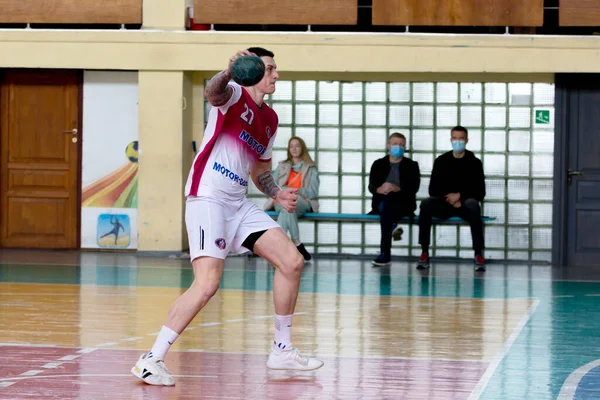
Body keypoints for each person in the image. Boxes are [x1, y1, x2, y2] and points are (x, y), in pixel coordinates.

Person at [131, 47, 324, 386]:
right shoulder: (233, 95)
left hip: (238, 203)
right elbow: (213, 91)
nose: (276, 75)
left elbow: (260, 169)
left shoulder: (271, 120)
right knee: (207, 284)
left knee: (292, 262)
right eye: (270, 69)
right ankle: (151, 359)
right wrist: (229, 70)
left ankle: (281, 348)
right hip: (209, 197)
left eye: (276, 69)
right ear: (252, 71)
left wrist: (277, 193)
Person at [417, 125, 486, 271]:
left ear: (467, 140)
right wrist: (450, 199)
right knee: (425, 205)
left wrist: (460, 196)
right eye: (455, 138)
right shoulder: (441, 161)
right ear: (451, 139)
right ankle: (424, 251)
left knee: (473, 205)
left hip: (464, 205)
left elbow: (480, 192)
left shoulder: (474, 163)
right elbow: (432, 189)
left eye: (461, 138)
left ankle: (478, 253)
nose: (458, 141)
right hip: (445, 204)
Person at [368, 133, 420, 266]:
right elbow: (371, 186)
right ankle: (392, 228)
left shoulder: (412, 165)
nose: (399, 147)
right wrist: (379, 189)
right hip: (381, 201)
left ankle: (385, 253)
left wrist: (398, 188)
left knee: (388, 203)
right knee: (386, 202)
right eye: (395, 144)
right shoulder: (378, 164)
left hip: (402, 203)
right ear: (388, 146)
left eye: (402, 145)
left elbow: (414, 187)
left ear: (405, 147)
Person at [264, 136, 319, 261]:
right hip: (282, 200)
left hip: (302, 201)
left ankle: (279, 250)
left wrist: (295, 190)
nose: (294, 149)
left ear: (302, 148)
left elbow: (313, 192)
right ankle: (297, 242)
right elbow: (270, 185)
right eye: (291, 146)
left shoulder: (311, 168)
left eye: (297, 146)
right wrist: (284, 191)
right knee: (288, 206)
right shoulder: (282, 166)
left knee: (288, 206)